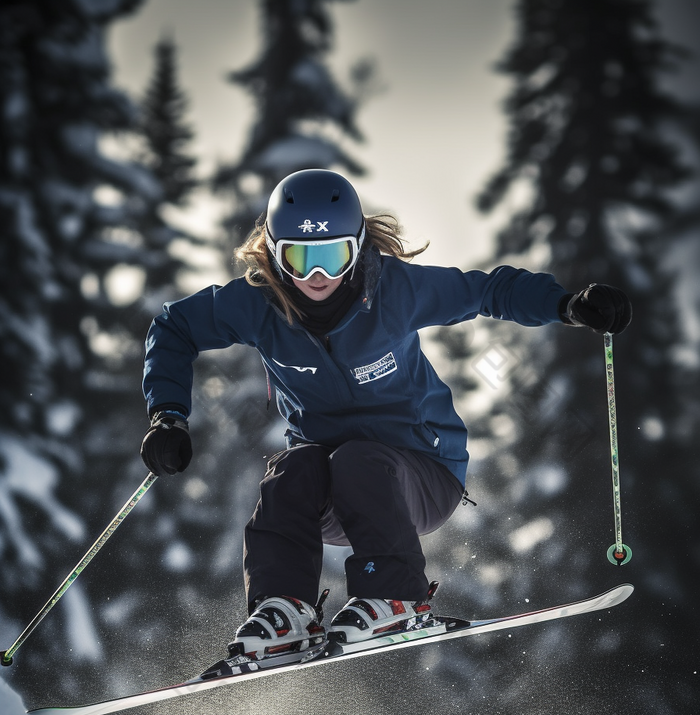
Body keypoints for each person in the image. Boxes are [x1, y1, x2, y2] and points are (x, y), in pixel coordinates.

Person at [140, 168, 631, 667]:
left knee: (359, 459)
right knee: (291, 468)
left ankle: (396, 597)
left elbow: (489, 291)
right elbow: (173, 327)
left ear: (357, 248)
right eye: (298, 257)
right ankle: (284, 611)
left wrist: (567, 305)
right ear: (272, 253)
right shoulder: (257, 305)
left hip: (423, 475)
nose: (317, 277)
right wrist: (168, 415)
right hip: (334, 494)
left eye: (333, 257)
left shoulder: (395, 290)